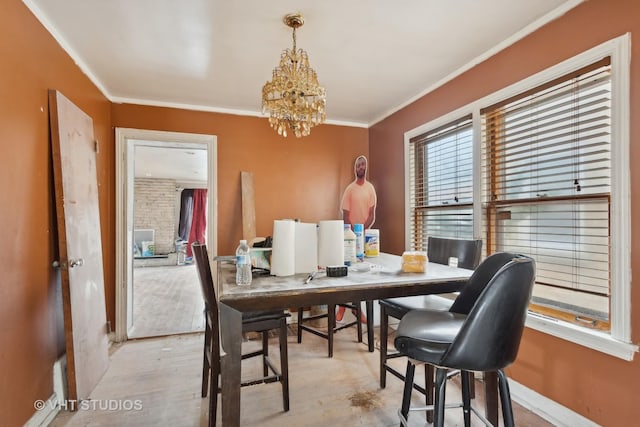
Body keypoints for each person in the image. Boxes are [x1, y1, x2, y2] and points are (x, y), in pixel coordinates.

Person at [337, 155, 377, 323]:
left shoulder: (370, 189)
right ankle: (342, 307)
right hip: (349, 238)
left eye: (363, 164)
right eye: (358, 165)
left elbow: (372, 213)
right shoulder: (350, 189)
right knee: (346, 273)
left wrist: (362, 231)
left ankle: (357, 310)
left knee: (362, 276)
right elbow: (345, 215)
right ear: (355, 169)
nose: (361, 167)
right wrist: (353, 233)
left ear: (366, 168)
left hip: (365, 238)